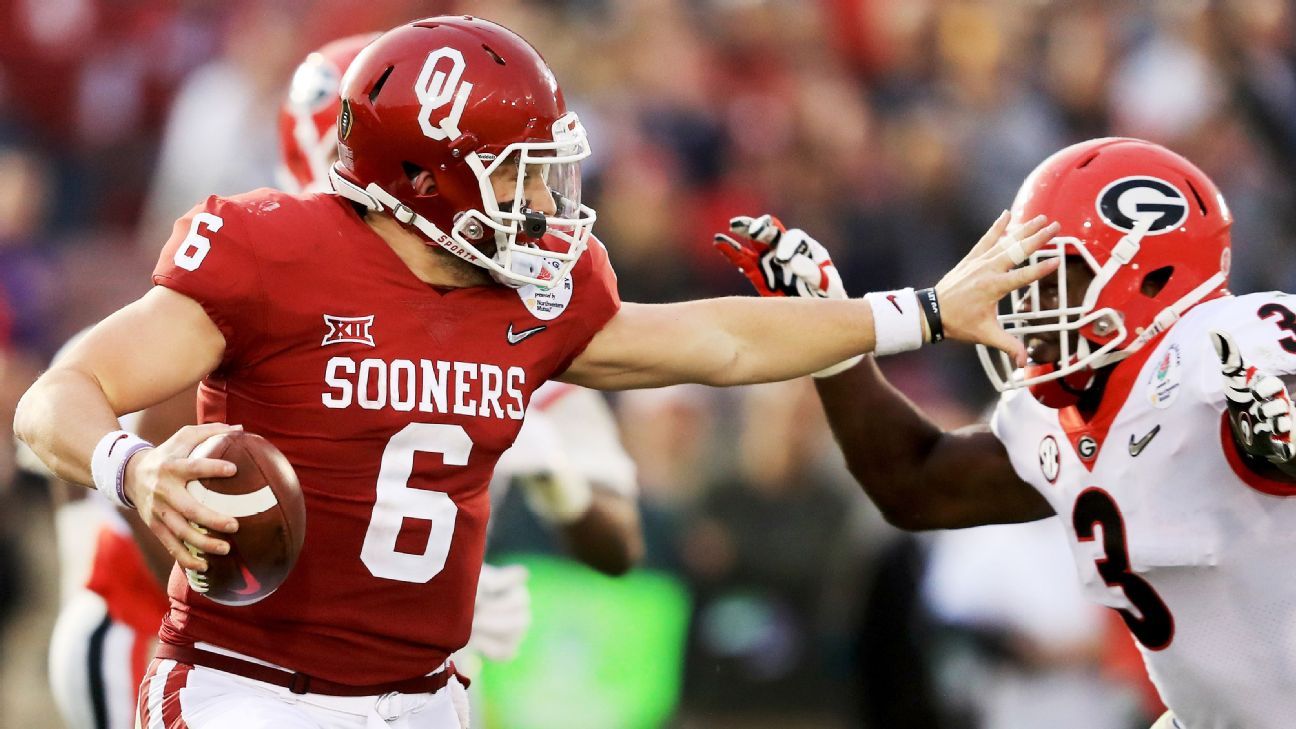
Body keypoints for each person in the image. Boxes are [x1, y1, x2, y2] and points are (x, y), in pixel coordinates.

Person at [14, 16, 1054, 729]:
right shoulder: (270, 251)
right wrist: (132, 471)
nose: (550, 204)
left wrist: (919, 314)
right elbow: (58, 396)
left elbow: (720, 342)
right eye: (521, 173)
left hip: (427, 697)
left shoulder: (534, 297)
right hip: (253, 693)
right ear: (426, 169)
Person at [40, 32, 642, 729]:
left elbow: (620, 545)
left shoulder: (521, 307)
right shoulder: (256, 287)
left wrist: (562, 486)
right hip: (210, 658)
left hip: (406, 679)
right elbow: (83, 435)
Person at [716, 136, 1296, 729]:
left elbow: (1281, 418)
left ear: (1152, 279)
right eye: (1026, 280)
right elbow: (914, 486)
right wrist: (834, 340)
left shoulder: (1220, 340)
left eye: (1053, 279)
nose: (1027, 305)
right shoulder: (1053, 418)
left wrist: (1278, 435)